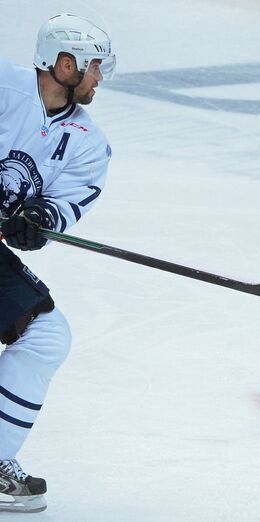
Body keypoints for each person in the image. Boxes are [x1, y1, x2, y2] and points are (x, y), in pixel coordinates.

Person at [0, 14, 115, 512]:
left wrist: (40, 218)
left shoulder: (89, 143)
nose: (98, 77)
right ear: (65, 64)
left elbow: (65, 206)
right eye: (93, 66)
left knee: (47, 334)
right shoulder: (4, 88)